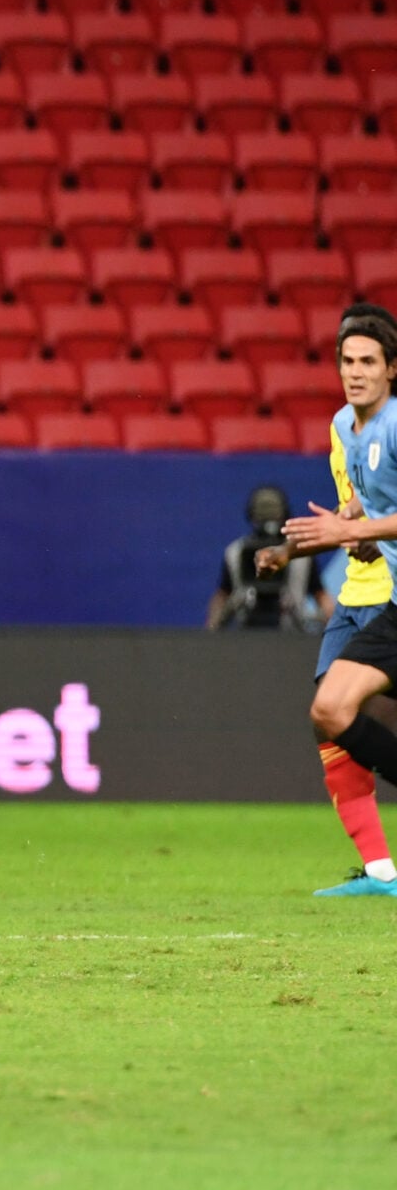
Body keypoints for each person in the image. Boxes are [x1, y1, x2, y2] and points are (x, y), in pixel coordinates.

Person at [270, 304, 397, 898]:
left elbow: (366, 523)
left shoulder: (395, 425)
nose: (355, 371)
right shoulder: (345, 428)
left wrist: (354, 532)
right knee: (330, 714)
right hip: (373, 601)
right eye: (347, 360)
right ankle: (378, 870)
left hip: (387, 598)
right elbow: (361, 506)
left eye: (368, 361)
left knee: (345, 713)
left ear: (390, 369)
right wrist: (293, 550)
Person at [208, 485, 321, 631]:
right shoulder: (236, 553)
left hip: (291, 631)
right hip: (248, 632)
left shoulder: (300, 555)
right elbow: (222, 596)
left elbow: (222, 596)